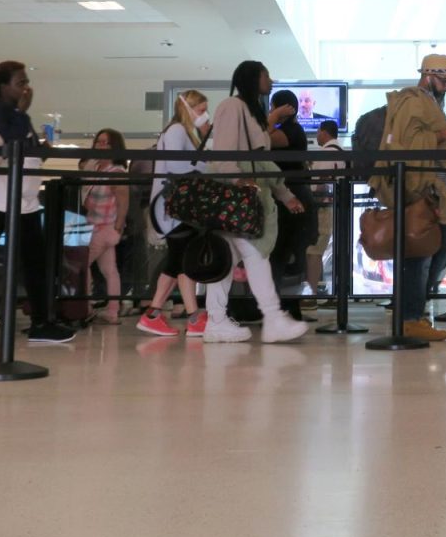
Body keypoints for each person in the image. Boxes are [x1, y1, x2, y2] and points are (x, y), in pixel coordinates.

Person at [0, 61, 73, 344]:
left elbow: (27, 151)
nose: (26, 87)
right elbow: (5, 145)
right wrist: (21, 112)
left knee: (35, 262)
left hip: (25, 201)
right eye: (20, 82)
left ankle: (42, 323)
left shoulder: (20, 115)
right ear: (3, 86)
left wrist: (41, 149)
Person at [202, 61, 308, 344]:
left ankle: (216, 320)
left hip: (246, 198)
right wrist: (237, 180)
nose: (271, 80)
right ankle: (272, 318)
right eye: (266, 75)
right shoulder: (232, 107)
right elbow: (224, 152)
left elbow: (262, 161)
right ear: (253, 78)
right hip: (237, 197)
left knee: (229, 259)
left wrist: (283, 194)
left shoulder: (249, 110)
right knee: (254, 253)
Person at [370, 54, 446, 343]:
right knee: (422, 253)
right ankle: (411, 318)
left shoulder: (428, 102)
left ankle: (414, 314)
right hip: (418, 189)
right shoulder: (414, 100)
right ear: (428, 76)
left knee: (438, 250)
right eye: (445, 80)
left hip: (429, 190)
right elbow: (409, 143)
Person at [137, 91, 211, 337]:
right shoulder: (178, 131)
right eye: (201, 110)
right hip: (173, 207)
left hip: (175, 207)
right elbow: (178, 166)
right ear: (189, 109)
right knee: (182, 261)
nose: (204, 115)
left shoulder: (181, 132)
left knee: (177, 261)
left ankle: (155, 314)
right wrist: (205, 165)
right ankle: (191, 318)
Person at [268, 88, 315, 320]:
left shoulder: (292, 131)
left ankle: (285, 307)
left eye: (274, 106)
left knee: (285, 252)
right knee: (285, 252)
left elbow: (261, 140)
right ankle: (285, 306)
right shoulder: (291, 130)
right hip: (290, 195)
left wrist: (272, 118)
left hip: (291, 196)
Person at [80, 128, 129, 325]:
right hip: (96, 227)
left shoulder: (116, 173)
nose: (100, 145)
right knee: (109, 269)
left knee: (83, 265)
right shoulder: (96, 168)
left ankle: (86, 305)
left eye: (106, 142)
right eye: (98, 142)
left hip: (104, 228)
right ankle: (112, 311)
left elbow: (123, 200)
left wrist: (118, 226)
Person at [305, 119, 344, 298]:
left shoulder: (324, 155)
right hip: (337, 208)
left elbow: (319, 185)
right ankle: (332, 290)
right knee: (328, 251)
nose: (317, 135)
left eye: (318, 131)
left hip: (322, 208)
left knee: (314, 251)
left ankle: (311, 293)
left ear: (324, 132)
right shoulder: (342, 154)